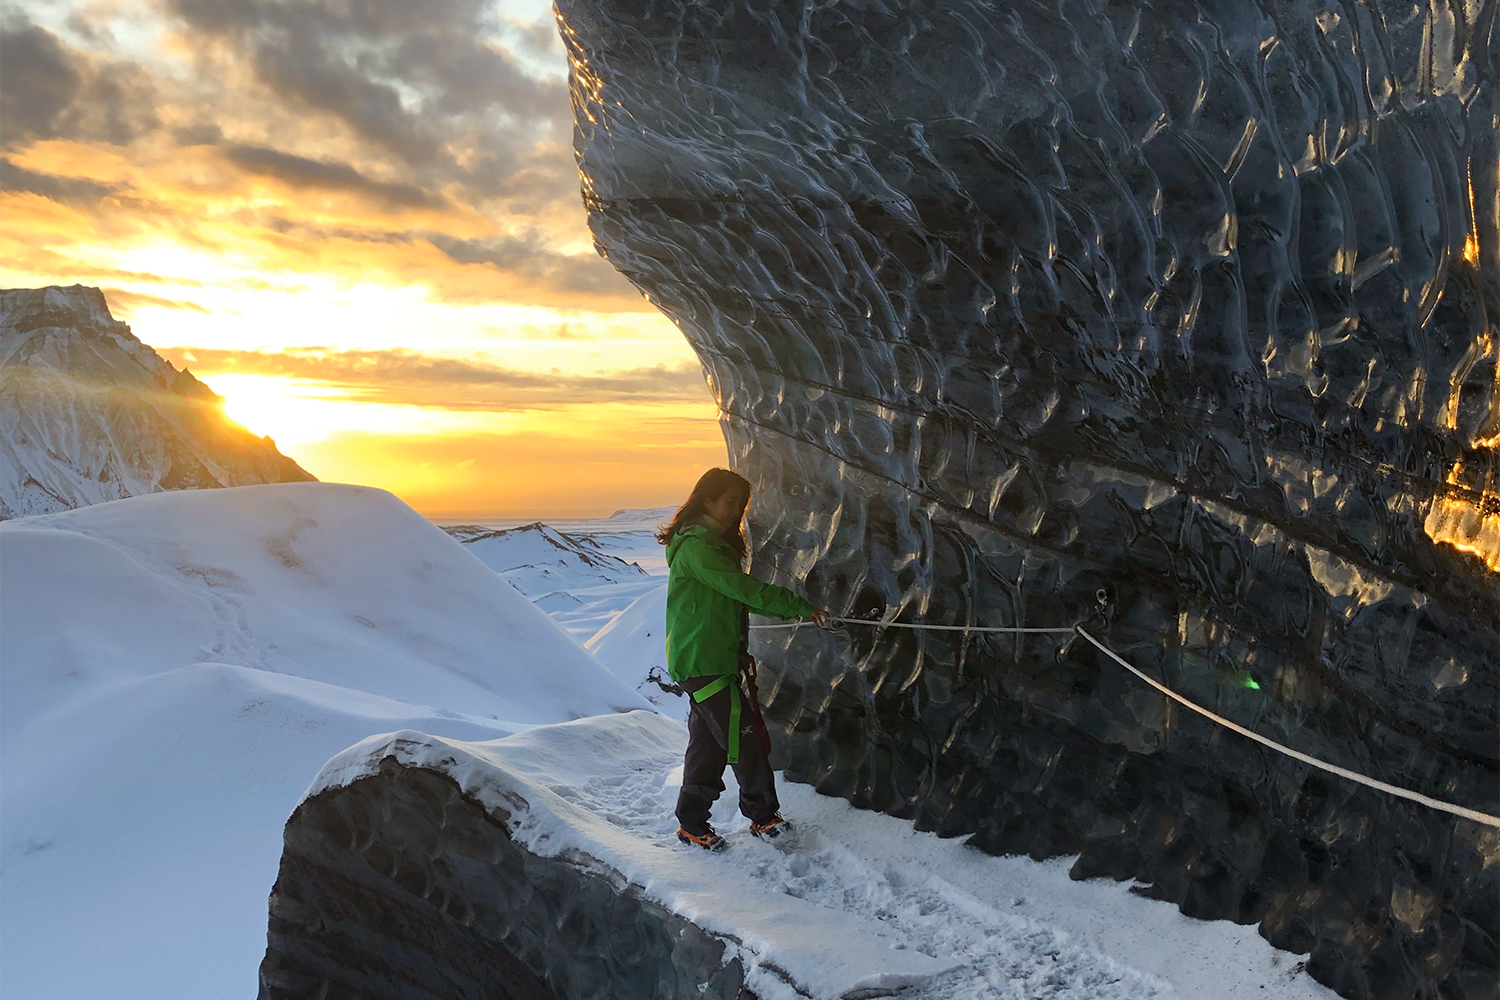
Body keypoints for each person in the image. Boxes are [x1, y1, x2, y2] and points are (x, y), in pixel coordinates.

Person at [656, 468, 829, 850]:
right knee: (744, 740)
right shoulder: (698, 548)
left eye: (741, 504)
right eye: (730, 501)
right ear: (707, 501)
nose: (737, 509)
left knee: (709, 746)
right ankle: (763, 817)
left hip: (705, 661)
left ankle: (691, 823)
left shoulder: (708, 545)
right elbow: (740, 588)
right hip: (706, 663)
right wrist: (798, 606)